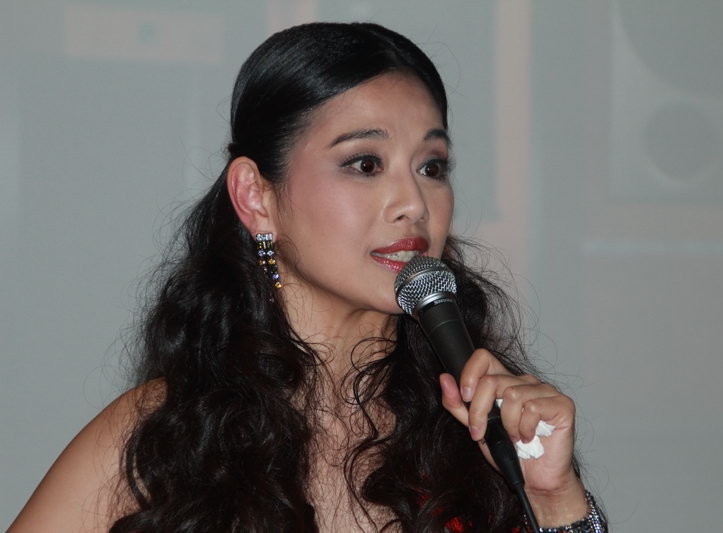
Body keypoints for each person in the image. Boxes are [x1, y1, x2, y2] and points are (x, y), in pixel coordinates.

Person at [10, 22, 605, 532]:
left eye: (432, 167)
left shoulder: (486, 431)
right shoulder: (164, 435)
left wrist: (554, 499)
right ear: (256, 196)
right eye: (365, 163)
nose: (413, 203)